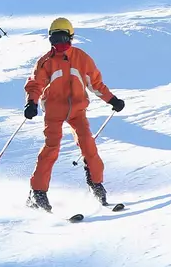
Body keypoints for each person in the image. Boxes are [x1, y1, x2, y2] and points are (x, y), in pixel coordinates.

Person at [24, 17, 126, 212]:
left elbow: (95, 84)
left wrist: (112, 100)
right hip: (54, 111)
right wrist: (31, 103)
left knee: (88, 144)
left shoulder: (81, 58)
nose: (59, 44)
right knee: (51, 148)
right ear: (50, 40)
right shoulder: (45, 62)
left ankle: (96, 183)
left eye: (64, 38)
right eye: (55, 39)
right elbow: (35, 84)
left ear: (71, 37)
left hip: (77, 111)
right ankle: (37, 192)